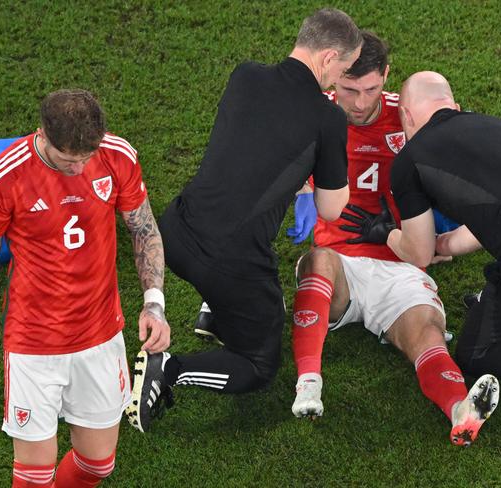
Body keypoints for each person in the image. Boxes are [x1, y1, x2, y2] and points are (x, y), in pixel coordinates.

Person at [125, 8, 363, 433]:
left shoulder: (246, 75)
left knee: (254, 305)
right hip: (232, 261)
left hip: (177, 231)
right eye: (343, 69)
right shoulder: (328, 118)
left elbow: (255, 147)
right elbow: (331, 209)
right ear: (328, 58)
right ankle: (169, 369)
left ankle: (217, 315)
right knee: (259, 364)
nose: (339, 80)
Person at [278, 32, 497, 447]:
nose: (360, 103)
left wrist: (448, 229)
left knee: (427, 334)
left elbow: (469, 147)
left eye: (371, 89)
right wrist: (303, 190)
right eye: (349, 89)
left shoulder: (409, 115)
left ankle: (460, 410)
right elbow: (268, 158)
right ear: (334, 77)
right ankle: (308, 381)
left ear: (387, 77)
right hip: (340, 262)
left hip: (403, 262)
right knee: (317, 261)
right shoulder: (312, 115)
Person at [0, 89, 170, 487]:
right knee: (34, 479)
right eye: (67, 160)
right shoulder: (4, 178)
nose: (78, 169)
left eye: (86, 158)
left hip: (100, 336)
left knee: (96, 465)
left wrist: (153, 304)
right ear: (43, 134)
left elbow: (144, 231)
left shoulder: (117, 156)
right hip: (34, 343)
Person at [372, 71, 501, 387]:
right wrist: (444, 244)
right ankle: (491, 301)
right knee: (493, 300)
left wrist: (386, 234)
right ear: (454, 107)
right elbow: (491, 214)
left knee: (476, 354)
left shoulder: (411, 159)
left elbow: (418, 252)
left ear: (405, 115)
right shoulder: (498, 126)